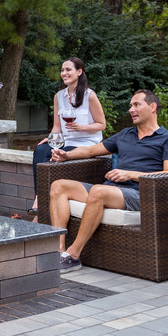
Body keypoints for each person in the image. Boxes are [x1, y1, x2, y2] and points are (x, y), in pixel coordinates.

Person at [49, 89, 168, 273]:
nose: (131, 109)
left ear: (152, 107)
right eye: (130, 105)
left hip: (140, 194)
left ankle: (73, 256)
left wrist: (131, 174)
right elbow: (90, 151)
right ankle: (59, 251)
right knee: (59, 186)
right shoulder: (126, 134)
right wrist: (66, 155)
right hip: (111, 190)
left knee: (98, 191)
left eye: (136, 104)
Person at [29, 57, 106, 221]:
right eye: (62, 70)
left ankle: (42, 208)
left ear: (79, 72)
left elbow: (101, 124)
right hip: (66, 143)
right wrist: (51, 139)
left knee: (56, 157)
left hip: (86, 144)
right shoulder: (59, 96)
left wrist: (82, 128)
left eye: (68, 69)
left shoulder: (89, 95)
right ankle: (38, 198)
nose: (64, 73)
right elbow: (57, 127)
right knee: (40, 150)